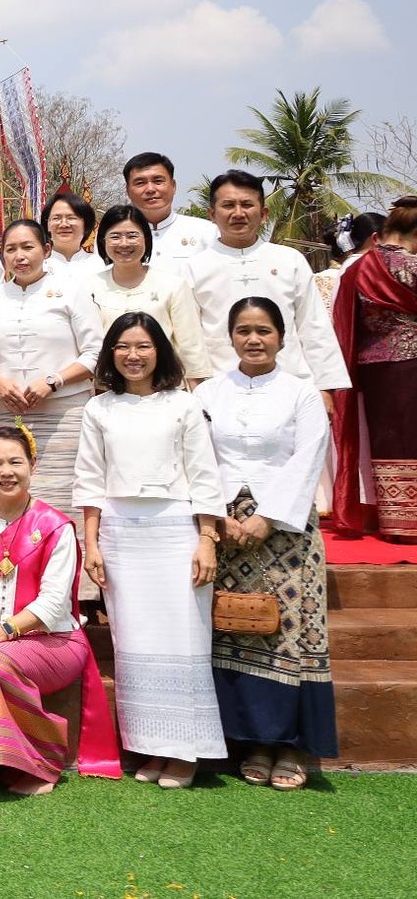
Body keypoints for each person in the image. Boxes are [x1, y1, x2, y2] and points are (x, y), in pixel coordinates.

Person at [75, 311, 227, 787]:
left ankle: (185, 752)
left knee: (182, 638)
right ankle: (150, 747)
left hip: (175, 530)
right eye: (123, 347)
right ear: (110, 354)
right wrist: (93, 544)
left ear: (159, 350)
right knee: (134, 643)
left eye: (142, 346)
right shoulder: (99, 409)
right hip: (121, 534)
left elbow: (204, 474)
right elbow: (90, 481)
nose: (133, 356)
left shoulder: (182, 405)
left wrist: (206, 538)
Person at [0, 425, 120, 795]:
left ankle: (38, 763)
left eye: (16, 462)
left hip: (54, 640)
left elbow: (53, 604)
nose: (6, 471)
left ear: (32, 465)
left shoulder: (55, 526)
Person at [198, 298, 338, 786]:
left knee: (289, 631)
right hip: (224, 524)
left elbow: (308, 457)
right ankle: (252, 741)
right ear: (230, 336)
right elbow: (198, 456)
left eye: (263, 330)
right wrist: (219, 518)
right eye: (243, 330)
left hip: (287, 529)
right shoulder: (210, 393)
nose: (253, 339)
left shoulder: (302, 395)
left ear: (281, 336)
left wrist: (267, 518)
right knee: (233, 627)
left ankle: (293, 748)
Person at [189, 172, 351, 411]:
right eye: (228, 205)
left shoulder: (289, 260)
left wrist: (326, 388)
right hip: (221, 390)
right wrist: (198, 393)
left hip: (291, 386)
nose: (238, 213)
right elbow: (190, 340)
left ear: (263, 214)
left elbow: (314, 325)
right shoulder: (193, 268)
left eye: (247, 205)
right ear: (212, 214)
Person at [0, 218, 102, 519]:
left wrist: (54, 381)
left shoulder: (71, 291)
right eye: (11, 249)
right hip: (7, 413)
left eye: (28, 247)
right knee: (11, 495)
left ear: (46, 249)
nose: (20, 256)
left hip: (65, 414)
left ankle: (72, 562)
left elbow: (96, 352)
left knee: (65, 496)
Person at [331, 195, 417, 537]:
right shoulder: (412, 266)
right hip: (412, 363)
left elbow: (344, 320)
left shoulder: (359, 267)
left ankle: (398, 522)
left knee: (389, 442)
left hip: (374, 367)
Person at [87, 205, 214, 387]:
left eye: (132, 236)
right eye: (115, 236)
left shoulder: (173, 285)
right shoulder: (87, 287)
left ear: (146, 239)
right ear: (103, 241)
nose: (124, 243)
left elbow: (191, 350)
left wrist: (198, 396)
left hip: (164, 393)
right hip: (106, 393)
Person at [124, 151, 218, 278]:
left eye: (158, 181)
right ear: (128, 190)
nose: (150, 189)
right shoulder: (116, 236)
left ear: (173, 186)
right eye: (140, 183)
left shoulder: (206, 231)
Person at [43, 192, 102, 276]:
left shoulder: (99, 266)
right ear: (47, 225)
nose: (64, 224)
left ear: (86, 225)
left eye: (71, 218)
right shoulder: (36, 266)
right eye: (56, 218)